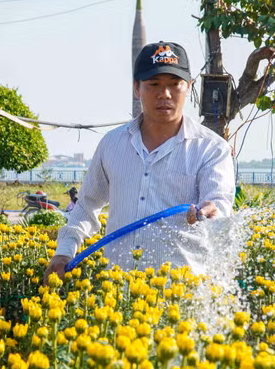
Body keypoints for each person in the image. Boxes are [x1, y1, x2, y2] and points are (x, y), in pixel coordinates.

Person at [44, 41, 235, 282]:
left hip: (181, 296)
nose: (164, 94)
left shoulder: (211, 148)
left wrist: (211, 210)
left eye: (174, 85)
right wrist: (63, 252)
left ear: (188, 87)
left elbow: (220, 204)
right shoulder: (112, 144)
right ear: (137, 88)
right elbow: (86, 206)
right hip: (117, 295)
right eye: (153, 84)